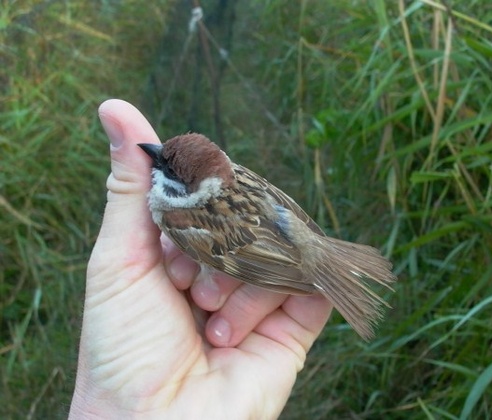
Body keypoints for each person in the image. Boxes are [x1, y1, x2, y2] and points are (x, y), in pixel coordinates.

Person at [69, 99, 333, 419]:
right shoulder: (220, 184)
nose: (155, 153)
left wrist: (307, 269)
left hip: (283, 250)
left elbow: (241, 257)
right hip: (294, 235)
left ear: (188, 188)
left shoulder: (180, 217)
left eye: (167, 168)